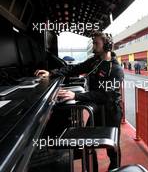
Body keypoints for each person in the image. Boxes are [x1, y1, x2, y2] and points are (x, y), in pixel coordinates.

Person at [35, 31, 124, 171]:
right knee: (88, 143)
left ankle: (115, 168)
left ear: (107, 46)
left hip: (111, 111)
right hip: (97, 110)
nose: (93, 46)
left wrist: (76, 96)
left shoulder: (116, 69)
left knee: (112, 148)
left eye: (96, 43)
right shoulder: (95, 61)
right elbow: (74, 68)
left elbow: (104, 96)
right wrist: (51, 73)